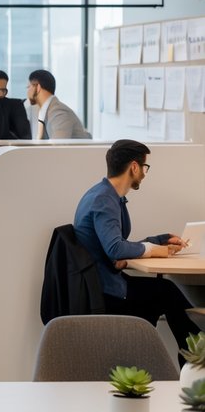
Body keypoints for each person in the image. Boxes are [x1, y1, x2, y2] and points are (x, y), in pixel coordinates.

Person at [73, 139, 195, 357]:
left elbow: (118, 245)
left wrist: (160, 240)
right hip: (105, 292)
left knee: (164, 293)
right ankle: (194, 356)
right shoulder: (103, 199)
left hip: (108, 283)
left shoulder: (106, 195)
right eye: (145, 167)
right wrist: (154, 250)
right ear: (134, 167)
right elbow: (115, 249)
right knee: (166, 293)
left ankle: (182, 355)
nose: (145, 174)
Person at [27, 69, 90, 140]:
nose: (27, 91)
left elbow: (57, 148)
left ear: (38, 87)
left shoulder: (58, 112)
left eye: (29, 87)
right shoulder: (45, 111)